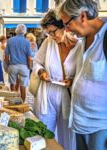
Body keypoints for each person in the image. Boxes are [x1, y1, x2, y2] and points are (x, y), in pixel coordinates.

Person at [59, 1, 107, 150]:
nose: (67, 30)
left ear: (83, 16)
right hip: (80, 122)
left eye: (67, 24)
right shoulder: (82, 41)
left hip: (100, 126)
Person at [33, 10, 82, 150]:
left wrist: (73, 81)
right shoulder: (48, 43)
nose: (52, 36)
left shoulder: (79, 46)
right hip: (47, 94)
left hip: (68, 96)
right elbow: (36, 62)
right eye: (48, 33)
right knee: (43, 134)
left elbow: (83, 73)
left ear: (64, 26)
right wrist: (41, 71)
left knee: (67, 137)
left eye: (53, 31)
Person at [4, 24, 31, 101]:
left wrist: (8, 64)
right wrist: (29, 66)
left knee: (12, 83)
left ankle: (13, 100)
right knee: (23, 86)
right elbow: (28, 56)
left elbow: (6, 56)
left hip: (13, 65)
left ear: (16, 30)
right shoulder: (26, 42)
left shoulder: (10, 40)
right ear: (24, 32)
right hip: (23, 66)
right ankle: (22, 102)